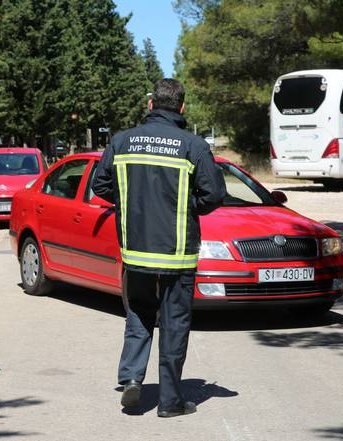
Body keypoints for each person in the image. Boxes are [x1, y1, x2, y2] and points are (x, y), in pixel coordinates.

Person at [92, 79, 226, 417]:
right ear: (181, 108)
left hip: (135, 250)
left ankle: (132, 378)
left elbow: (100, 185)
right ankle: (169, 402)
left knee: (138, 313)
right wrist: (184, 206)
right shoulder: (192, 145)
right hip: (177, 254)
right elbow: (214, 195)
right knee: (174, 323)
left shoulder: (121, 141)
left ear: (151, 104)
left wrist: (130, 203)